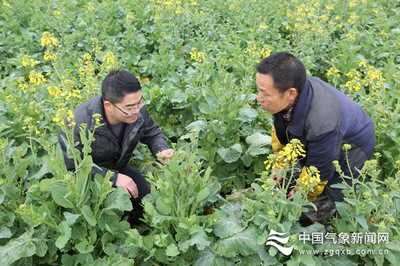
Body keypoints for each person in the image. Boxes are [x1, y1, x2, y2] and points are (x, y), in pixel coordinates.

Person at [256, 52, 375, 226]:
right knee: (283, 181)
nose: (259, 98)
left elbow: (318, 172)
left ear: (290, 94)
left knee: (307, 214)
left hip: (353, 147)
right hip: (325, 134)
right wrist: (280, 165)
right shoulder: (287, 93)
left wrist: (300, 194)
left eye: (264, 93)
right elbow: (281, 133)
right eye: (259, 90)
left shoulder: (322, 122)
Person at [59, 70, 173, 208]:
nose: (137, 110)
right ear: (108, 106)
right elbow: (73, 168)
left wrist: (161, 150)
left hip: (118, 167)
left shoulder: (136, 110)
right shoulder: (77, 124)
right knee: (107, 211)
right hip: (88, 180)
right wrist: (113, 178)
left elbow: (153, 133)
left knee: (149, 198)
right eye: (130, 107)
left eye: (140, 102)